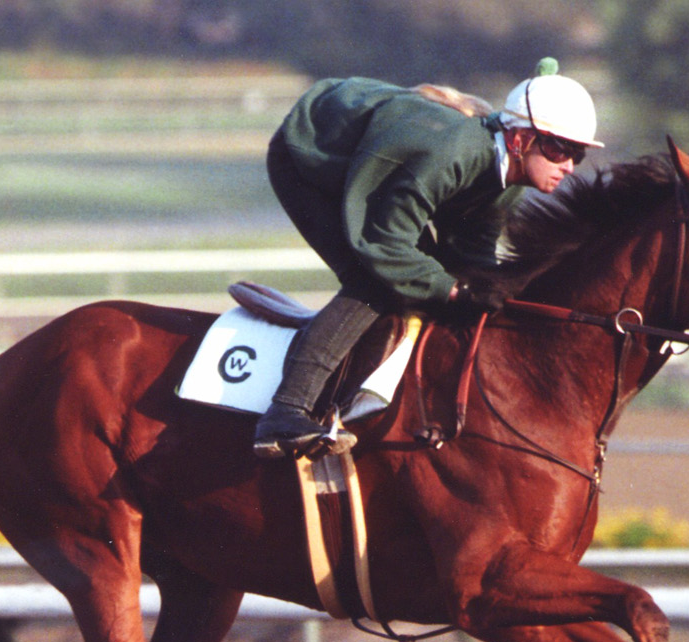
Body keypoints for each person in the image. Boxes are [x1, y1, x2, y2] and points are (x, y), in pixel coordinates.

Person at [253, 57, 603, 459]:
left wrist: (491, 289)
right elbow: (384, 247)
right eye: (560, 149)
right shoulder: (451, 154)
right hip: (310, 157)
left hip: (378, 158)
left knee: (427, 273)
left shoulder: (511, 180)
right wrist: (453, 291)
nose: (569, 166)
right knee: (379, 280)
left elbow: (470, 255)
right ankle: (285, 413)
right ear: (520, 140)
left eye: (579, 154)